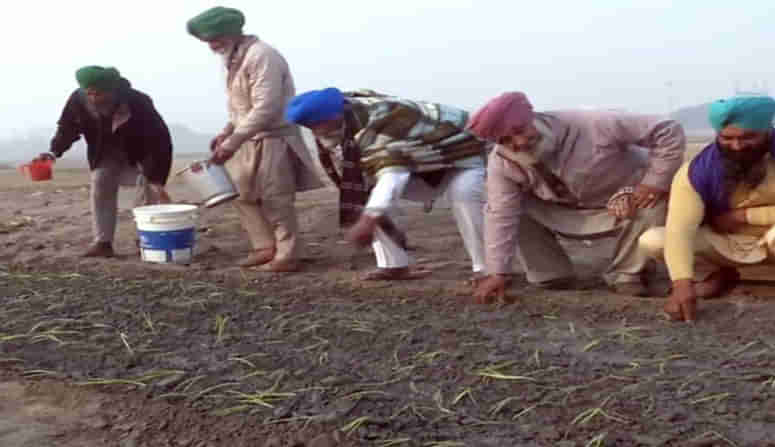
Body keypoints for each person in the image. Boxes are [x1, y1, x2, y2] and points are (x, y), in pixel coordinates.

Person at [470, 92, 686, 303]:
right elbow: (500, 213)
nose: (519, 143)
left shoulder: (594, 123)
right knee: (513, 208)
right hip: (562, 211)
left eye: (519, 131)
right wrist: (497, 273)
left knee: (655, 200)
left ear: (531, 117)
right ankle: (551, 273)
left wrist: (652, 183)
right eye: (505, 140)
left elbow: (667, 129)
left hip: (624, 203)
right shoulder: (501, 161)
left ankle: (627, 273)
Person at [285, 88, 488, 280]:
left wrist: (368, 219)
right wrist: (366, 209)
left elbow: (392, 175)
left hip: (461, 150)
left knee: (464, 194)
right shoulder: (341, 116)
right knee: (366, 193)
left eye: (314, 126)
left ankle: (486, 269)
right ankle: (394, 265)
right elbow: (356, 175)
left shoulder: (382, 122)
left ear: (332, 118)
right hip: (414, 157)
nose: (313, 132)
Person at [187, 6, 324, 272]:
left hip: (274, 137)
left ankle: (287, 255)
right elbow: (240, 105)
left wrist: (232, 141)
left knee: (276, 198)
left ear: (232, 33)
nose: (212, 46)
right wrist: (227, 131)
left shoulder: (263, 55)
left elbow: (266, 107)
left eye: (215, 39)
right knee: (242, 194)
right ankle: (264, 247)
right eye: (208, 41)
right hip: (246, 136)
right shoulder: (232, 58)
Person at [639, 96, 775, 322]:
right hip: (725, 243)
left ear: (767, 131)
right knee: (654, 240)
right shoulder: (696, 170)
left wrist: (746, 216)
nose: (737, 146)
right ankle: (714, 276)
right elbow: (679, 230)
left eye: (748, 137)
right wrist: (681, 284)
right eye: (727, 138)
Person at [35, 66, 173, 258]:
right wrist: (53, 152)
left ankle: (146, 238)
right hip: (105, 154)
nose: (93, 98)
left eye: (98, 94)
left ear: (112, 90)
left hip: (141, 154)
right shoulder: (78, 100)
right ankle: (103, 242)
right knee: (100, 182)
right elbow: (67, 128)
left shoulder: (138, 102)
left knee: (148, 187)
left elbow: (159, 141)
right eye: (89, 93)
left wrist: (156, 178)